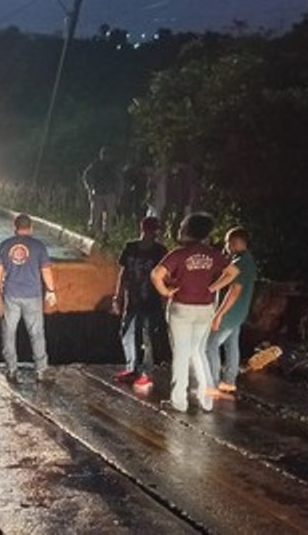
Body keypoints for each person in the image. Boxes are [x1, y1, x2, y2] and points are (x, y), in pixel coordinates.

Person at [150, 212, 238, 413]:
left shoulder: (179, 254)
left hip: (182, 307)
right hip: (205, 308)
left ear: (187, 230)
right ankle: (205, 399)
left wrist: (165, 291)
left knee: (181, 354)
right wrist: (213, 288)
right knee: (198, 352)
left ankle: (179, 401)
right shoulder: (213, 254)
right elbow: (233, 272)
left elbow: (156, 274)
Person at [0, 214, 57, 384]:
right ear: (31, 227)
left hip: (11, 295)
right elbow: (46, 270)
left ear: (15, 227)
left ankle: (12, 369)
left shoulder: (5, 245)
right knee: (36, 333)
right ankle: (41, 370)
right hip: (33, 296)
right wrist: (51, 290)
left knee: (9, 332)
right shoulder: (38, 246)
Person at [112, 216, 168, 392]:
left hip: (151, 300)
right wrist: (117, 297)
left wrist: (165, 299)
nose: (152, 234)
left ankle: (146, 372)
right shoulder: (130, 248)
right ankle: (132, 367)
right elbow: (123, 274)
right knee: (127, 332)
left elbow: (165, 275)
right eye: (151, 230)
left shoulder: (160, 251)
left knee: (148, 336)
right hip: (133, 299)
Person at [205, 226, 258, 396]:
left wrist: (219, 314)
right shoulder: (245, 260)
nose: (226, 245)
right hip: (239, 313)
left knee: (210, 345)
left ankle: (211, 382)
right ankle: (229, 381)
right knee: (231, 345)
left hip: (230, 313)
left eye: (228, 242)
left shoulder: (241, 263)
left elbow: (234, 292)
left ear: (235, 242)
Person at [82, 147, 122, 236]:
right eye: (104, 155)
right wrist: (89, 188)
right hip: (98, 192)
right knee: (95, 215)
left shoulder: (113, 167)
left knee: (109, 216)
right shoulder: (96, 165)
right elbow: (86, 175)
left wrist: (118, 195)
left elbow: (118, 181)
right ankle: (92, 233)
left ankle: (106, 235)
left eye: (107, 155)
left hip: (110, 193)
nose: (105, 157)